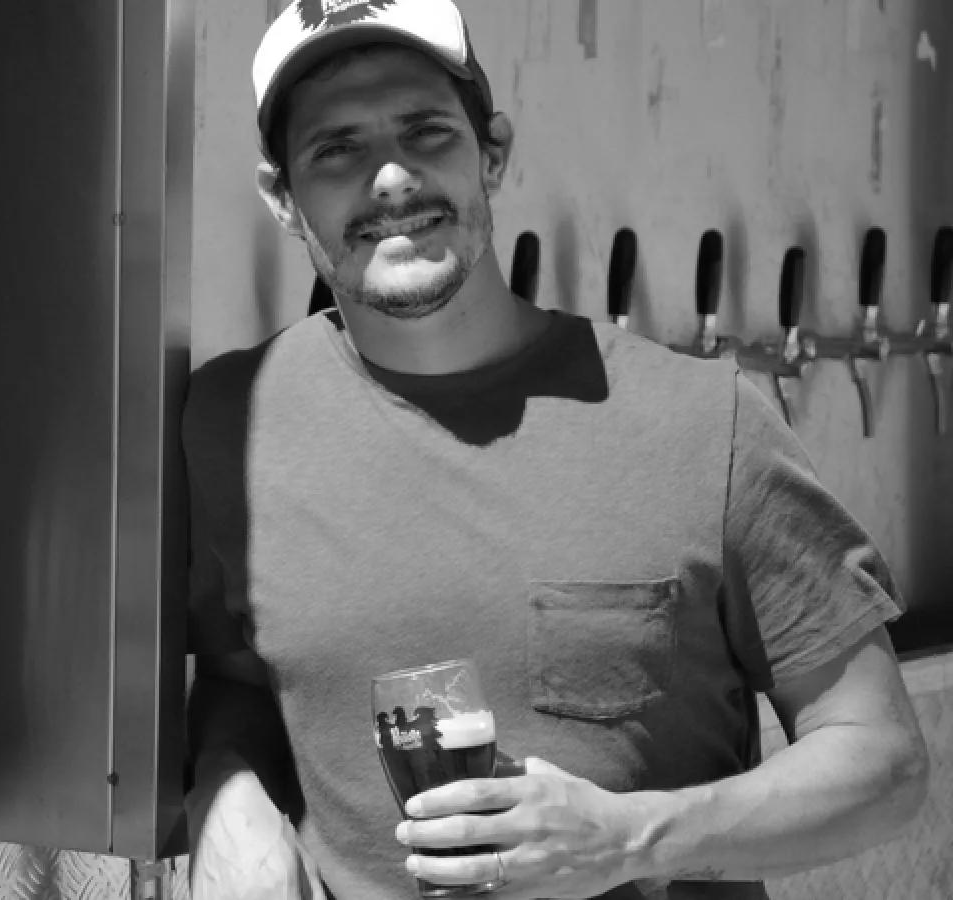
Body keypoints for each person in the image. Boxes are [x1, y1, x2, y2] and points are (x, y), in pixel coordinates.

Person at [179, 2, 931, 899]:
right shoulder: (231, 422)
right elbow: (240, 679)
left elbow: (884, 761)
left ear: (492, 153)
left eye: (426, 131)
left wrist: (629, 841)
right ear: (281, 198)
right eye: (336, 149)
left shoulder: (703, 424)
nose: (391, 177)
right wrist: (224, 791)